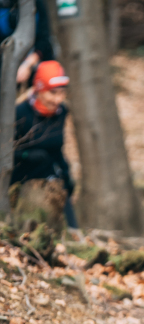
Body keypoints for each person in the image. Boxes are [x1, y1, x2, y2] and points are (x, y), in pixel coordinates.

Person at [12, 60, 78, 228]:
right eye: (53, 93)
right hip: (20, 180)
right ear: (39, 89)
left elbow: (57, 149)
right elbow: (6, 152)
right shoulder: (20, 113)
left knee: (69, 220)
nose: (58, 99)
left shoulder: (61, 112)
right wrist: (27, 155)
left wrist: (66, 175)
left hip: (49, 178)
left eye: (62, 93)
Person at [0, 0, 54, 83]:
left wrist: (28, 64)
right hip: (6, 60)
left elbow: (44, 39)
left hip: (34, 58)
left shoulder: (36, 3)